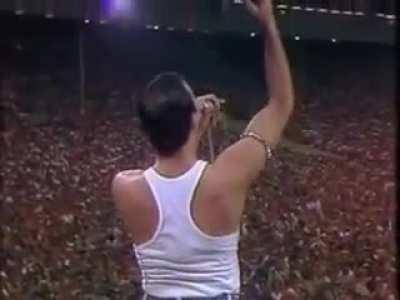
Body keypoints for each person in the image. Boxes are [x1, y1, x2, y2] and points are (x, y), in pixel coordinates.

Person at [111, 0, 294, 299]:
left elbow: (165, 163)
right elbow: (280, 104)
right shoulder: (225, 177)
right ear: (192, 118)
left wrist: (189, 122)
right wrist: (268, 26)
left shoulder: (125, 186)